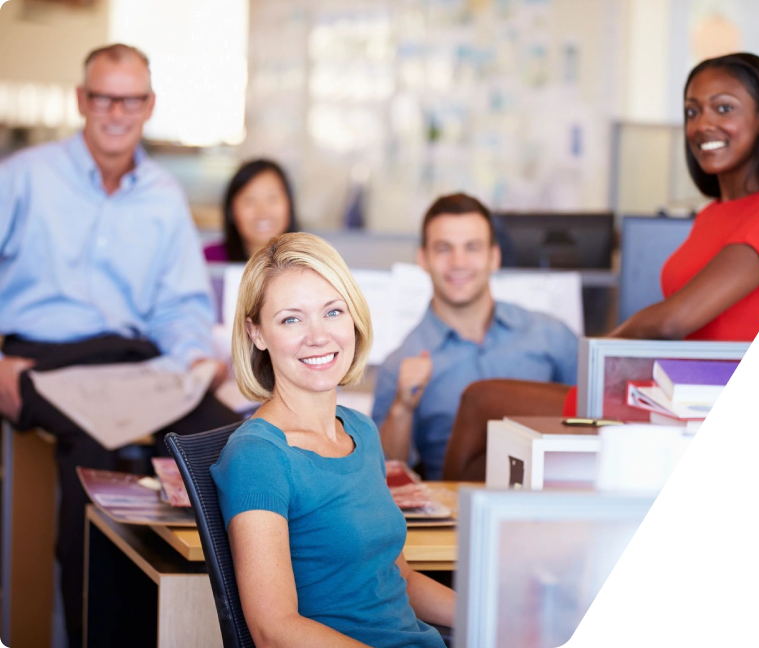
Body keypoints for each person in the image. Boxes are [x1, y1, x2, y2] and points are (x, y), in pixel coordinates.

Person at [0, 44, 241, 647]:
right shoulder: (23, 177)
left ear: (149, 105)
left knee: (231, 444)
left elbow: (181, 305)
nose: (116, 112)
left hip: (133, 362)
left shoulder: (162, 194)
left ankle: (217, 627)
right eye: (104, 97)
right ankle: (94, 635)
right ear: (82, 101)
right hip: (36, 357)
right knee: (93, 457)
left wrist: (193, 357)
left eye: (131, 99)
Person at [211, 232, 454, 648]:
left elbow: (399, 579)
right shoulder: (257, 457)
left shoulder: (361, 431)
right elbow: (274, 630)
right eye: (291, 319)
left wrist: (502, 622)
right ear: (257, 334)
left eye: (333, 312)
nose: (318, 335)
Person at [372, 193, 578, 480]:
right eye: (444, 248)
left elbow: (602, 419)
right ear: (423, 259)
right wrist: (402, 408)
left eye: (472, 248)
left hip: (553, 499)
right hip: (455, 515)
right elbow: (382, 473)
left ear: (494, 257)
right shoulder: (401, 363)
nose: (458, 262)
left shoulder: (551, 335)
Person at [611, 52, 759, 341]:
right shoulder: (710, 215)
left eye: (724, 108)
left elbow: (671, 322)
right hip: (678, 381)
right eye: (692, 111)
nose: (702, 125)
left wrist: (601, 348)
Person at [204, 158, 298, 262]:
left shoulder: (309, 260)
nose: (263, 211)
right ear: (231, 210)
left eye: (272, 199)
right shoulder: (209, 260)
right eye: (250, 201)